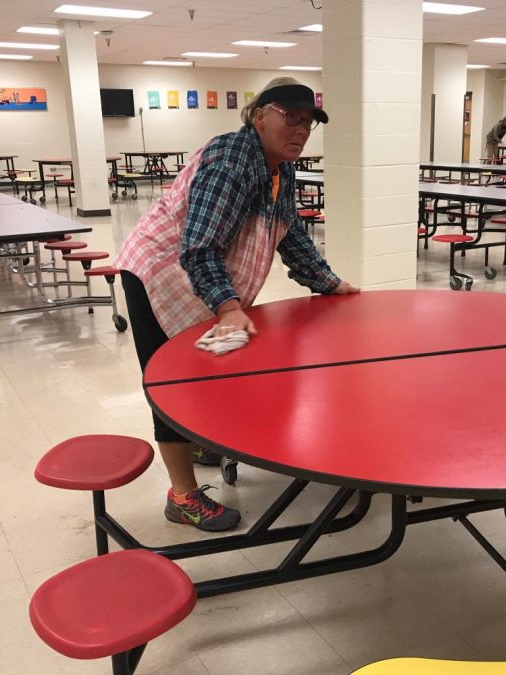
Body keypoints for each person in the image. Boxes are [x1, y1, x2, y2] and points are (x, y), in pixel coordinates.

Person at [115, 77, 359, 532]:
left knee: (210, 365)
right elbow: (200, 248)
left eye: (309, 122)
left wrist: (328, 282)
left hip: (197, 276)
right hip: (157, 273)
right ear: (258, 115)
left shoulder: (278, 168)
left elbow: (290, 232)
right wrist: (228, 305)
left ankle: (201, 441)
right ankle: (182, 497)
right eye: (291, 117)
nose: (302, 130)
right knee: (174, 382)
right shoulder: (232, 160)